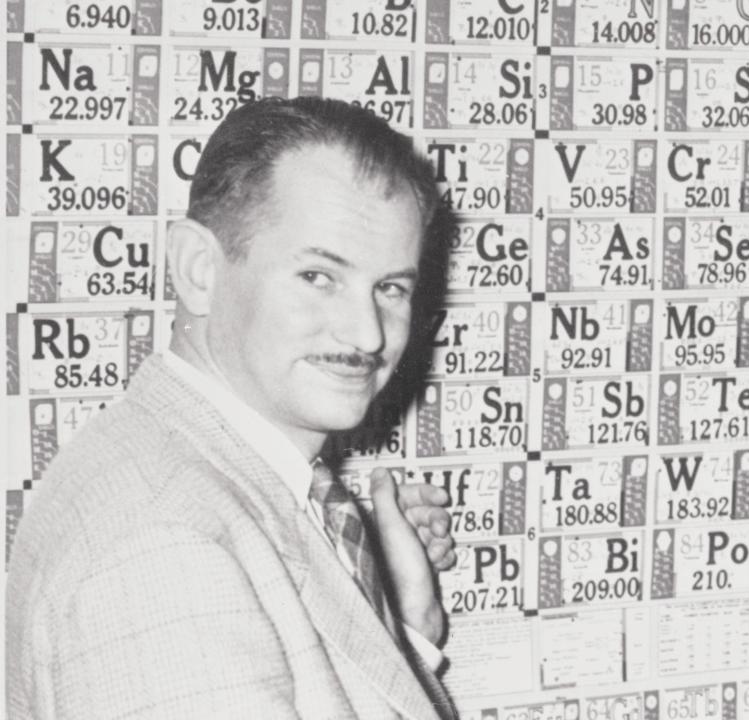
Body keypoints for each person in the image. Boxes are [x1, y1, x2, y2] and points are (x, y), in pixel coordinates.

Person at [6, 97, 458, 719]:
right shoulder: (164, 549)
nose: (368, 334)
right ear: (198, 270)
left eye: (390, 289)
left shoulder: (208, 471)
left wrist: (403, 633)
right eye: (318, 277)